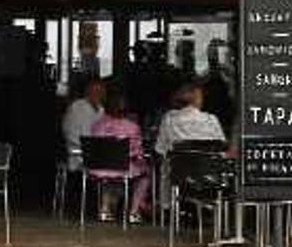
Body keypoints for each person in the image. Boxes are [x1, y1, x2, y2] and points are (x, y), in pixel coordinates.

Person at [89, 86, 151, 224]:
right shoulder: (132, 127)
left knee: (107, 175)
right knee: (144, 175)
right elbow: (136, 151)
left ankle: (104, 209)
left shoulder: (97, 125)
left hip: (98, 167)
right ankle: (134, 212)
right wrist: (140, 159)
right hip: (122, 167)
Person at [155, 81, 226, 155]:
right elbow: (221, 147)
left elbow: (160, 149)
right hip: (208, 165)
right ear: (198, 98)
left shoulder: (169, 118)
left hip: (178, 165)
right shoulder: (211, 119)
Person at [61, 78, 105, 171]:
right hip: (77, 154)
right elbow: (72, 135)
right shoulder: (77, 107)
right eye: (95, 91)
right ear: (87, 92)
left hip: (96, 153)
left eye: (101, 91)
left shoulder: (101, 110)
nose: (98, 94)